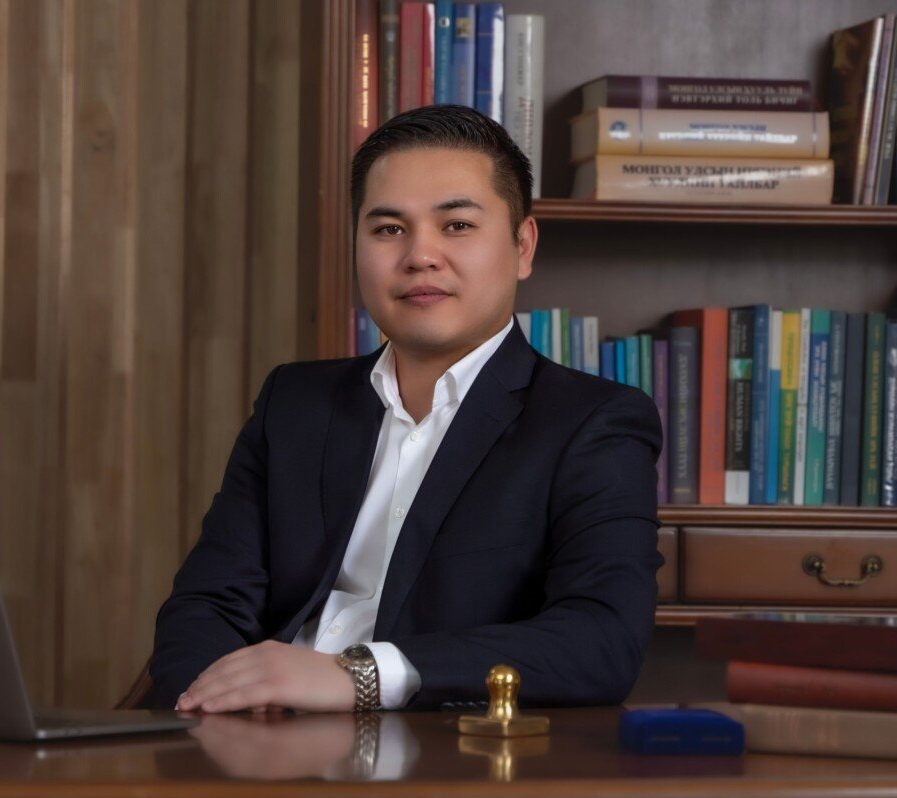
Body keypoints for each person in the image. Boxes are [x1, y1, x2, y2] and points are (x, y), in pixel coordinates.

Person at [148, 104, 662, 713]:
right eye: (389, 229)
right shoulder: (294, 403)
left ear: (523, 246)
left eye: (457, 225)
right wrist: (224, 705)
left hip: (430, 749)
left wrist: (358, 676)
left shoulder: (593, 423)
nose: (420, 255)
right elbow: (205, 605)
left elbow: (600, 642)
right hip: (249, 738)